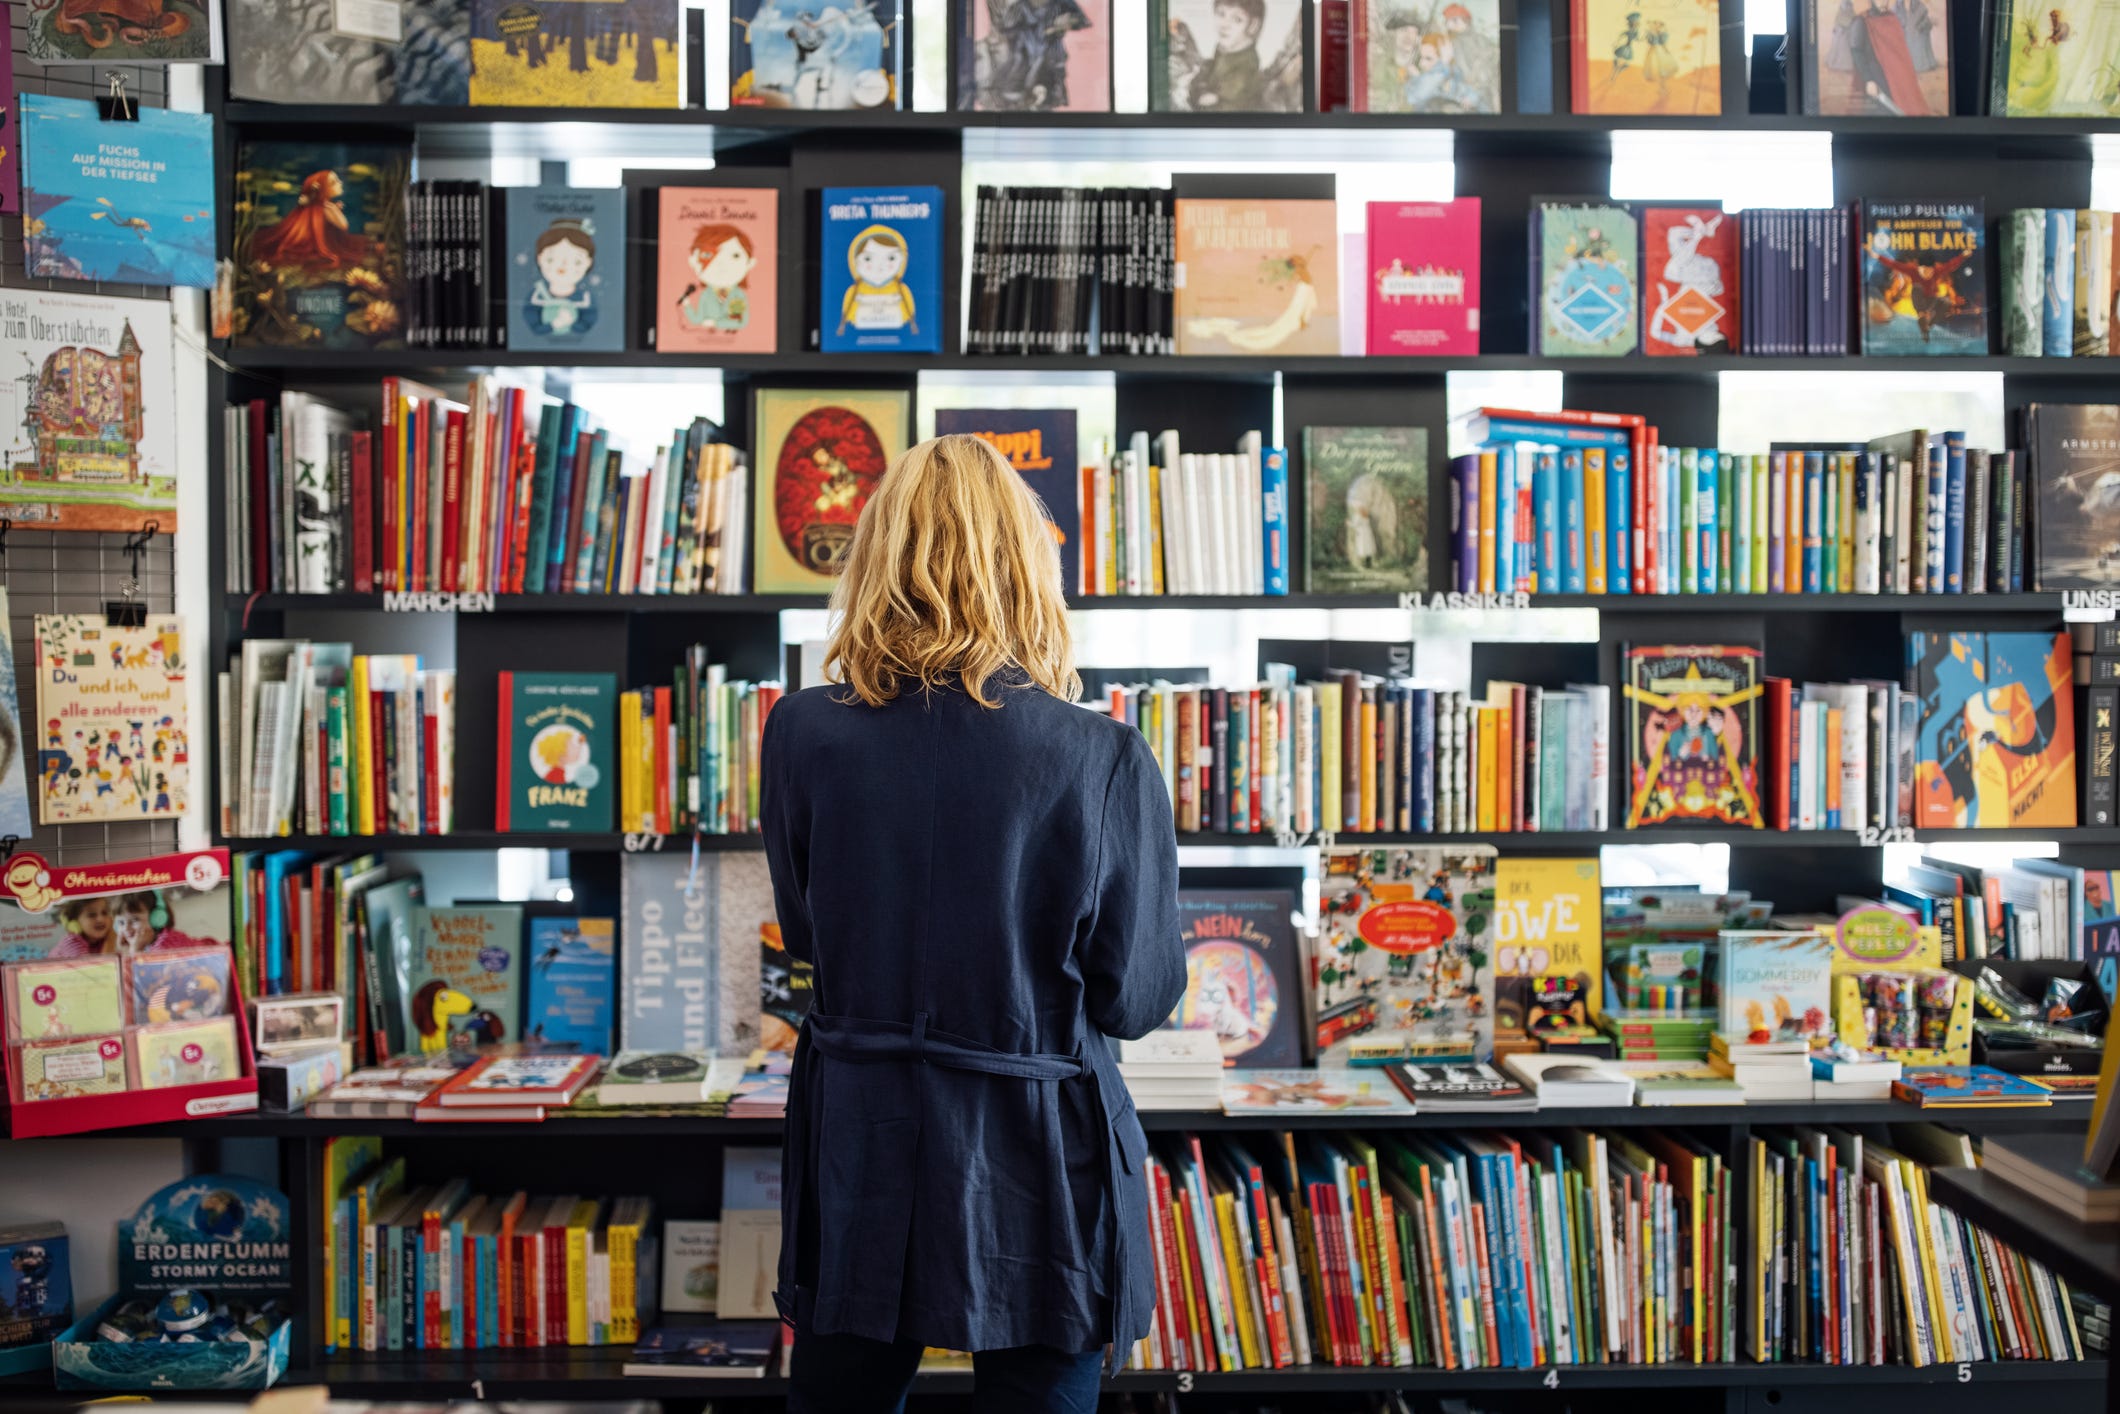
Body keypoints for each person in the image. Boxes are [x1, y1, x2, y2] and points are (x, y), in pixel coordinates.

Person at [763, 434, 1185, 1414]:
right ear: (1026, 566)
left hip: (859, 1138)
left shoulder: (800, 731)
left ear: (874, 558)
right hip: (1039, 1152)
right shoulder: (1103, 754)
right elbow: (1133, 997)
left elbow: (810, 940)